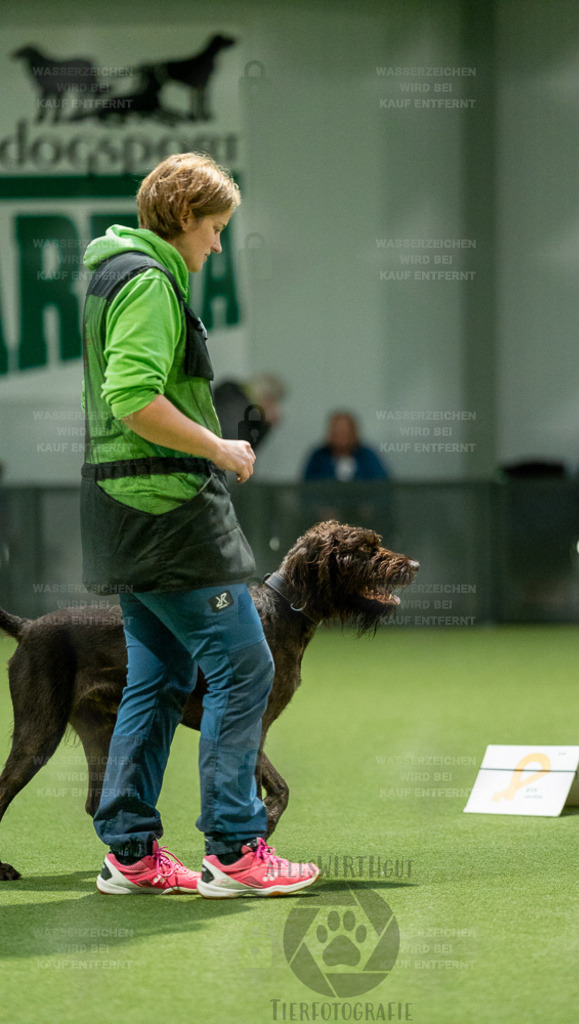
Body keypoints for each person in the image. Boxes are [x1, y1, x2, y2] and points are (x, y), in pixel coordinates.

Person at [80, 152, 318, 897]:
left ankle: (129, 853)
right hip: (169, 513)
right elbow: (132, 395)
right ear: (184, 218)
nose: (217, 245)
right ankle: (237, 851)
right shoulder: (150, 282)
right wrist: (217, 445)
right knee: (246, 666)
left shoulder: (112, 273)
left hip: (120, 512)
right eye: (214, 228)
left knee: (156, 679)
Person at [302, 411, 389, 481]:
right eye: (336, 433)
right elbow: (306, 488)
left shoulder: (367, 456)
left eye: (344, 433)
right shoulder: (318, 457)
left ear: (353, 433)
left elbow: (383, 486)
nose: (340, 438)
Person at [212, 372, 286, 449]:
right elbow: (239, 450)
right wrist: (264, 425)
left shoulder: (233, 399)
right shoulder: (236, 407)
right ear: (266, 398)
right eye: (272, 402)